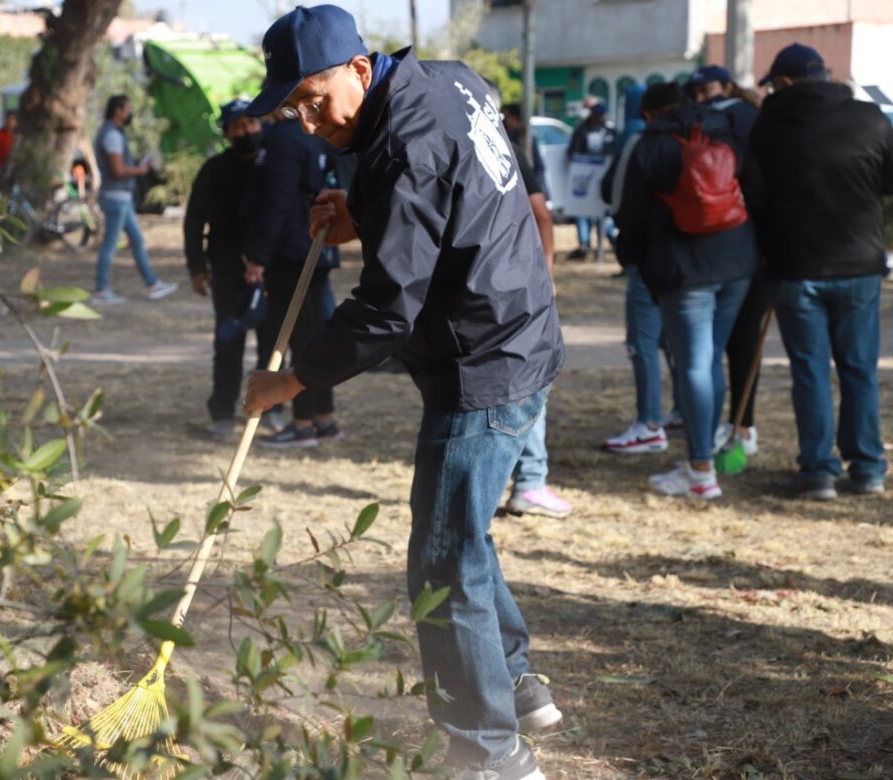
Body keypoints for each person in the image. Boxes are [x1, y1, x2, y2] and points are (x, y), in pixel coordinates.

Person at [242, 6, 564, 777]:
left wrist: (292, 378)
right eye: (295, 110)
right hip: (518, 331)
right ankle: (515, 682)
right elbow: (463, 191)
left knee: (443, 563)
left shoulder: (403, 144)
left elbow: (389, 307)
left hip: (481, 361)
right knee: (462, 539)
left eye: (317, 100)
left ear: (360, 69)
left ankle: (487, 752)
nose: (311, 123)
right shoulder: (448, 81)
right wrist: (371, 214)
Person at [750, 43, 892, 499]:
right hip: (859, 263)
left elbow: (753, 193)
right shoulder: (870, 118)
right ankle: (868, 467)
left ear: (785, 82)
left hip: (794, 266)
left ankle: (818, 471)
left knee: (810, 372)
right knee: (859, 369)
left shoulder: (767, 124)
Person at [616, 89, 757, 499]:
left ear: (654, 113)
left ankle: (700, 471)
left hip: (684, 268)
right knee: (709, 359)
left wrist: (639, 261)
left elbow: (631, 216)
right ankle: (704, 451)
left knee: (693, 363)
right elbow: (755, 188)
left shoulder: (651, 146)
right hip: (736, 260)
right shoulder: (726, 133)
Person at [243, 114, 344, 449]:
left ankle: (303, 425)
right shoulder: (314, 133)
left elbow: (279, 198)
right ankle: (324, 419)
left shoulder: (284, 137)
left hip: (293, 252)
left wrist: (259, 255)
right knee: (315, 334)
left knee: (301, 339)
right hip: (314, 247)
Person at [688, 65, 768, 461]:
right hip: (750, 245)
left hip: (741, 244)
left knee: (729, 344)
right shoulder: (753, 119)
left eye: (707, 89)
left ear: (729, 87)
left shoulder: (736, 122)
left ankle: (739, 426)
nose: (702, 98)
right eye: (696, 92)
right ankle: (740, 425)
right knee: (737, 342)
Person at [601, 83, 684, 455]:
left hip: (649, 259)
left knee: (643, 343)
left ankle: (649, 424)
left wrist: (626, 246)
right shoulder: (700, 134)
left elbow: (614, 195)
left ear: (646, 112)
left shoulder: (640, 139)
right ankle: (684, 412)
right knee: (681, 345)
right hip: (694, 261)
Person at [184, 100, 267, 440]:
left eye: (250, 124)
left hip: (269, 271)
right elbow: (193, 221)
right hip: (227, 270)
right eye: (236, 127)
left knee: (272, 345)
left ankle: (269, 412)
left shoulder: (274, 166)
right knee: (227, 343)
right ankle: (221, 414)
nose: (245, 132)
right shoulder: (213, 170)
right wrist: (196, 267)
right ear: (227, 133)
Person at [503, 138, 571, 519]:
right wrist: (546, 273)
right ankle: (530, 480)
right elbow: (540, 213)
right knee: (529, 381)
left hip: (484, 283)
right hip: (515, 282)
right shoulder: (501, 142)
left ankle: (525, 479)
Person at [92, 95, 177, 304]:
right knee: (110, 245)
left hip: (121, 198)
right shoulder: (112, 135)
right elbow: (118, 169)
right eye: (128, 109)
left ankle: (152, 284)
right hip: (116, 198)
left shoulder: (113, 133)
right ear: (118, 111)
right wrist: (139, 170)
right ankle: (101, 290)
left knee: (137, 240)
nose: (130, 114)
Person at [567, 100, 616, 260]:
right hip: (584, 179)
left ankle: (607, 242)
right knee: (582, 212)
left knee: (603, 213)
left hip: (604, 179)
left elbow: (615, 151)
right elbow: (572, 152)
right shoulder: (581, 130)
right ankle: (584, 245)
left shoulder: (610, 130)